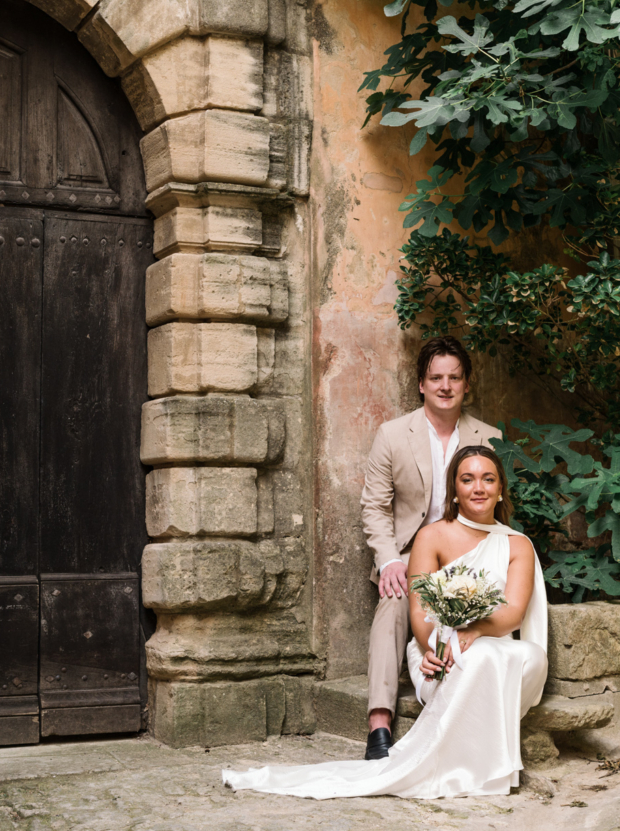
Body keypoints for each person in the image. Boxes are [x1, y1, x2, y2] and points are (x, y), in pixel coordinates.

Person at [222, 445, 549, 798]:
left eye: (488, 479)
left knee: (521, 656)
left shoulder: (518, 545)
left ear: (501, 489)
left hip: (496, 643)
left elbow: (513, 612)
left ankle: (477, 764)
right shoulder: (432, 536)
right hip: (438, 650)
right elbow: (420, 612)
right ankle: (475, 770)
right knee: (478, 658)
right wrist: (434, 649)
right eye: (467, 479)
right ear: (454, 490)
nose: (478, 488)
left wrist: (479, 629)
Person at [357, 336, 502, 760]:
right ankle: (379, 725)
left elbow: (498, 504)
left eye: (454, 378)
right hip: (407, 555)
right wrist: (386, 561)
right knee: (393, 598)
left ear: (466, 384)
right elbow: (374, 506)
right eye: (435, 378)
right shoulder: (391, 434)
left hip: (468, 554)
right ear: (421, 384)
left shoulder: (489, 436)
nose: (445, 386)